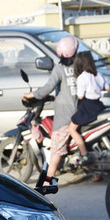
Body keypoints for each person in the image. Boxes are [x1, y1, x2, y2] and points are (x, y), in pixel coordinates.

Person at [22, 35, 79, 183]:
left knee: (55, 151)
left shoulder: (60, 68)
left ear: (60, 52)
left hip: (65, 115)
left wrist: (32, 94)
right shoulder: (79, 66)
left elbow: (47, 87)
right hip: (79, 110)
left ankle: (47, 181)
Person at [70, 50, 108, 164]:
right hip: (98, 105)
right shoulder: (98, 74)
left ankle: (84, 154)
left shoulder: (82, 77)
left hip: (87, 107)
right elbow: (107, 88)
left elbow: (80, 96)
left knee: (71, 129)